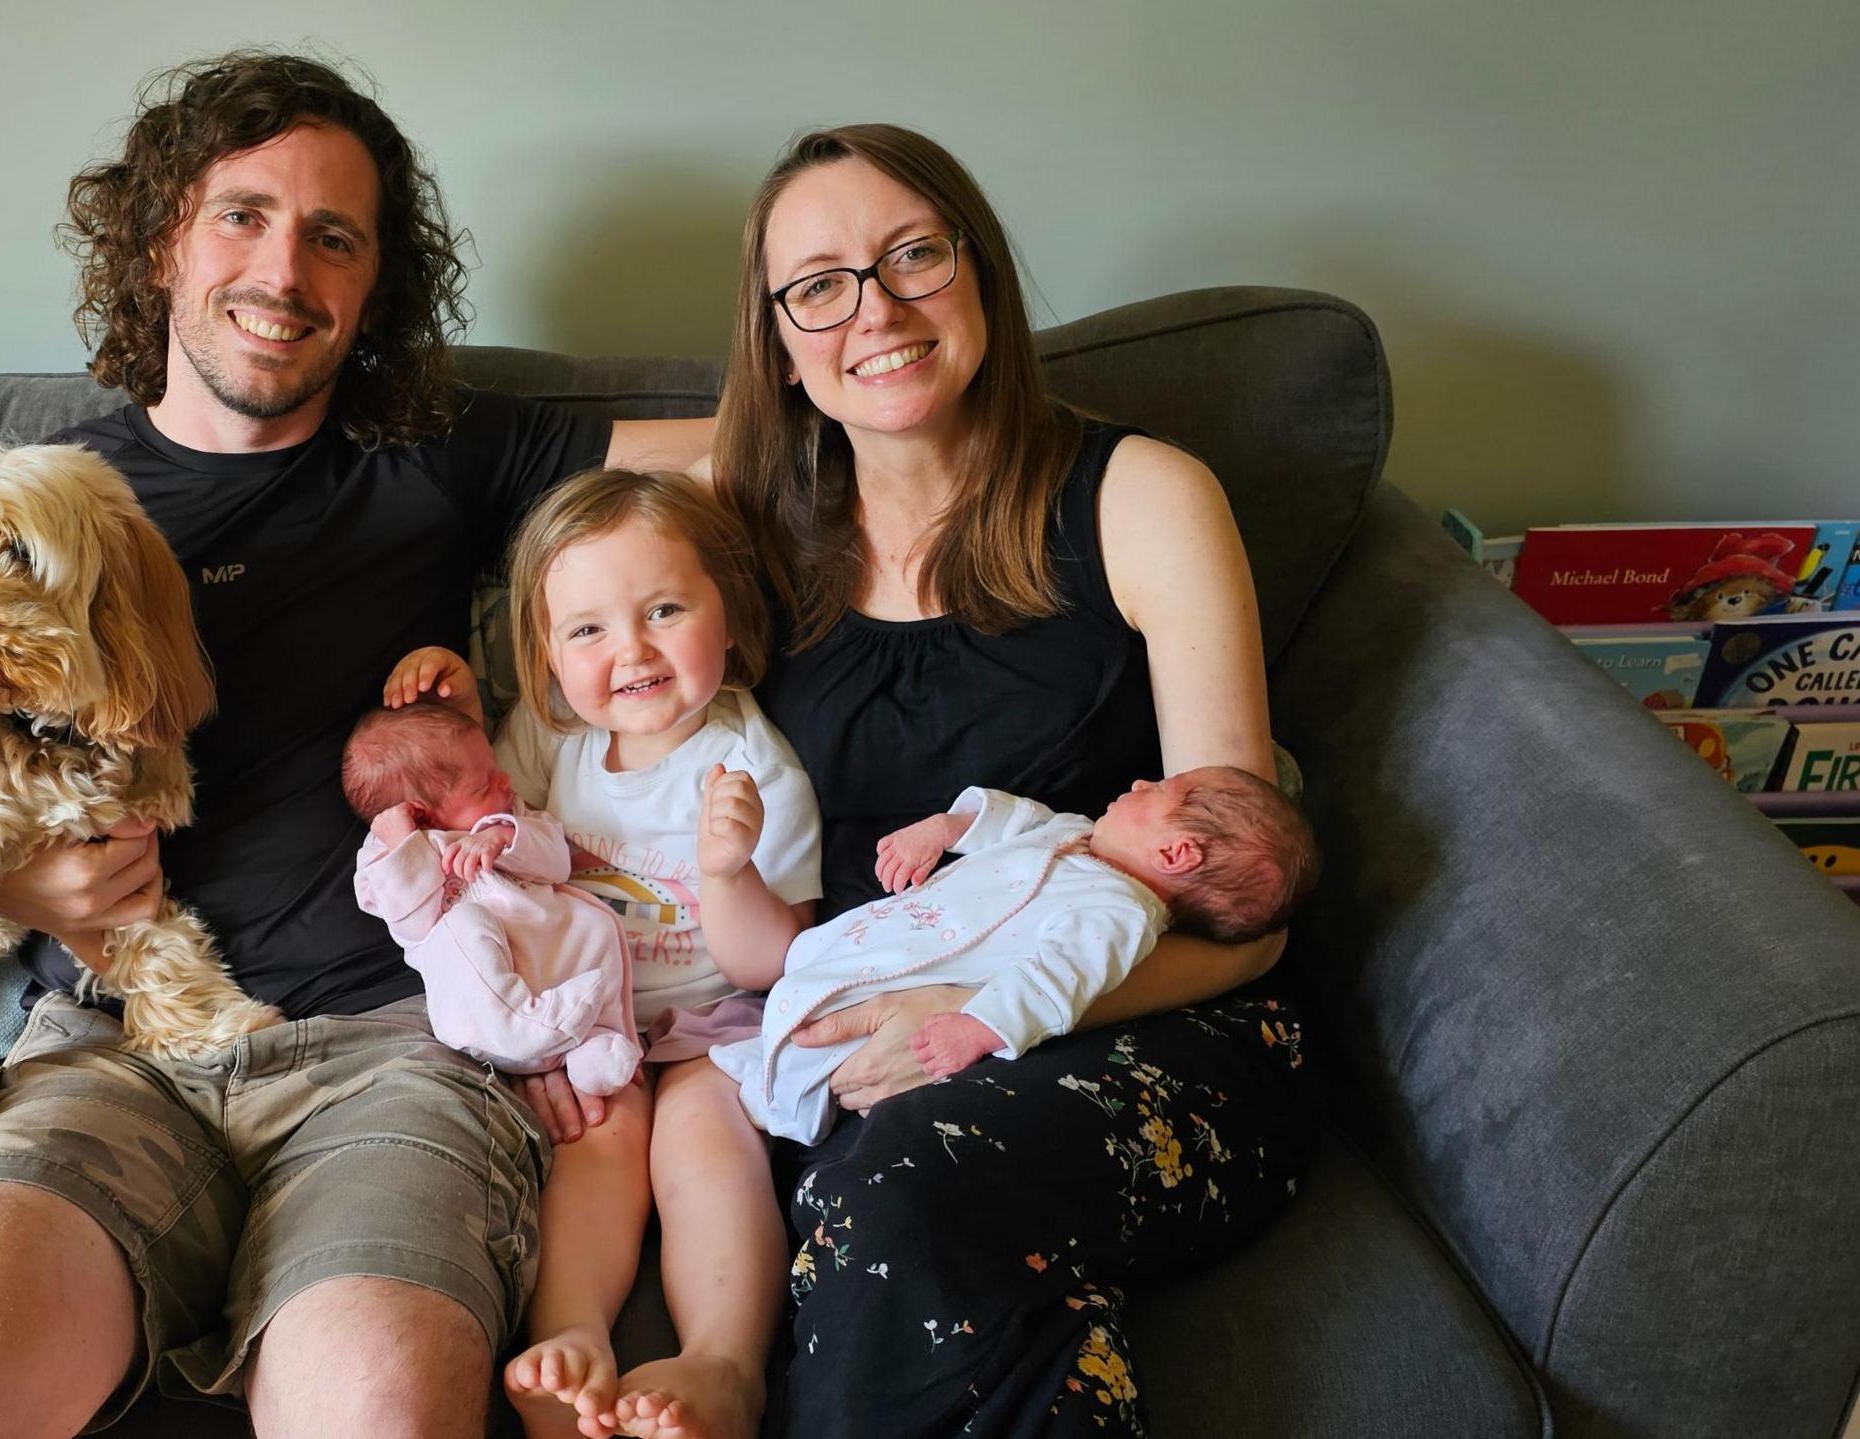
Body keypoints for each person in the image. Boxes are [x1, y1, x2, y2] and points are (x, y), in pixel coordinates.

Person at [0, 51, 710, 1439]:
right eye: (243, 214)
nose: (283, 267)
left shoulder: (437, 450)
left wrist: (905, 371)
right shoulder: (35, 506)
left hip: (395, 1046)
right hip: (104, 1051)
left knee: (377, 1400)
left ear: (371, 292)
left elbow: (746, 459)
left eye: (333, 236)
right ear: (163, 239)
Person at [709, 124, 1317, 1436]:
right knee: (918, 1200)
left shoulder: (1142, 496)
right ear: (777, 337)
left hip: (1152, 1022)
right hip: (882, 1032)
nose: (873, 309)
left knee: (905, 1181)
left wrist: (980, 1004)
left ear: (977, 270)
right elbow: (520, 492)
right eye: (818, 284)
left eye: (912, 255)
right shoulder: (750, 530)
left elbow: (1244, 905)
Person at [386, 468, 818, 1439]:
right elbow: (476, 809)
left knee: (706, 1144)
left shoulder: (755, 766)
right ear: (544, 654)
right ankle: (573, 1338)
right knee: (594, 1143)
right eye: (586, 629)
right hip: (586, 1024)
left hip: (713, 1018)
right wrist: (453, 711)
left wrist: (728, 870)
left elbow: (769, 959)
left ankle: (723, 1362)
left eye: (664, 608)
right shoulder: (550, 736)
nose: (630, 649)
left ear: (732, 616)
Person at [713, 767, 1321, 1144]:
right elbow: (1014, 819)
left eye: (1160, 791)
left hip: (930, 983)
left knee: (825, 1043)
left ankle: (777, 1102)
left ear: (1177, 853)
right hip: (892, 936)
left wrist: (979, 1026)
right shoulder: (1078, 834)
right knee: (821, 971)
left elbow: (1059, 980)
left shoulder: (1121, 916)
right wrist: (945, 828)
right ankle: (766, 1055)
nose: (1139, 782)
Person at [342, 699, 641, 1097]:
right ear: (421, 815)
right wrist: (405, 845)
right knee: (463, 926)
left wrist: (505, 837)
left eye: (495, 768)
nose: (505, 781)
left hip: (550, 953)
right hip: (484, 999)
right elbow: (412, 926)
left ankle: (596, 1045)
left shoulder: (506, 817)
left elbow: (557, 863)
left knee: (596, 923)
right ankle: (517, 1027)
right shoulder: (384, 858)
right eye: (483, 785)